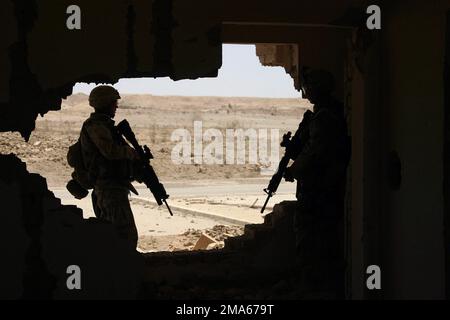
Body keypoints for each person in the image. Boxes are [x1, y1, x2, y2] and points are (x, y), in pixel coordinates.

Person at [284, 68, 350, 295]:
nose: (306, 91)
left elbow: (315, 152)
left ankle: (315, 289)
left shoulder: (324, 117)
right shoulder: (322, 114)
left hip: (319, 191)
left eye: (309, 86)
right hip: (323, 189)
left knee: (311, 242)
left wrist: (294, 170)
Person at [79, 85, 141, 249]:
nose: (116, 106)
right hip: (108, 189)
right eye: (114, 102)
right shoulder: (96, 126)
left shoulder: (106, 126)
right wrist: (131, 152)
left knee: (112, 236)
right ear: (105, 103)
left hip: (112, 187)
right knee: (125, 236)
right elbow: (110, 151)